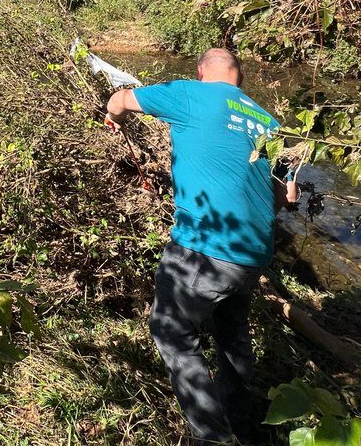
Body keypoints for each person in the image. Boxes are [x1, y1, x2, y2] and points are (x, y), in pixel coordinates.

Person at [105, 47, 281, 445]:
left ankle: (212, 436)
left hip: (204, 247)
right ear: (241, 78)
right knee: (231, 335)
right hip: (254, 252)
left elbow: (120, 100)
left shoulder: (188, 93)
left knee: (170, 330)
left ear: (201, 71)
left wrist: (111, 117)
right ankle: (245, 426)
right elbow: (284, 193)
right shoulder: (268, 121)